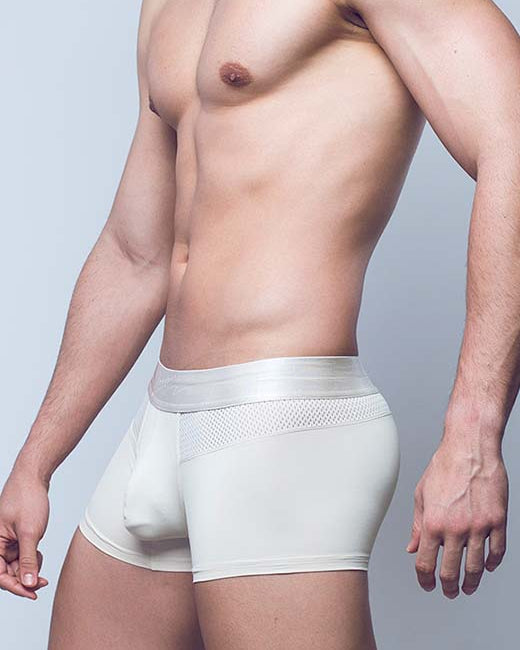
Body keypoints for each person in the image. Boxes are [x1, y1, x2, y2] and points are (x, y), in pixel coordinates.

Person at [1, 0, 518, 647]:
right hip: (161, 424)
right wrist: (35, 463)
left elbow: (513, 136)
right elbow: (136, 253)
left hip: (288, 426)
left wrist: (473, 436)